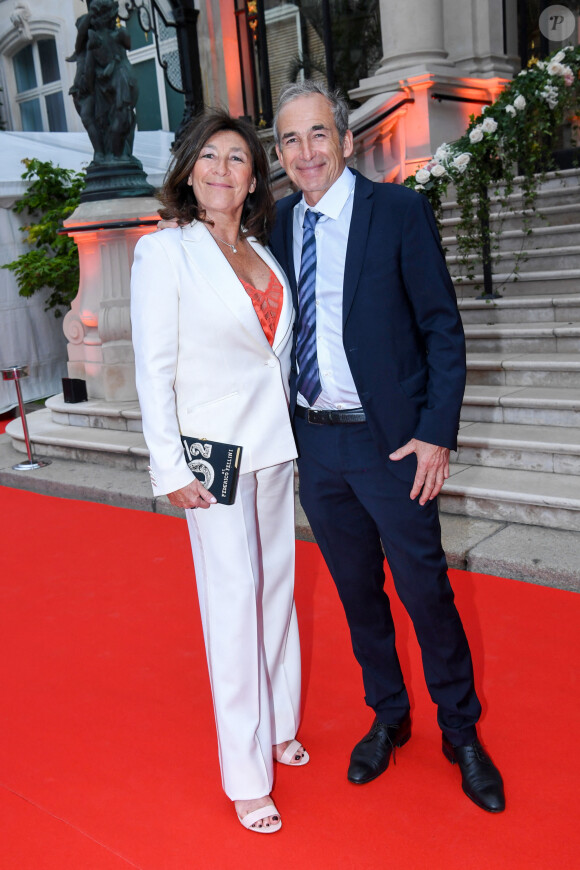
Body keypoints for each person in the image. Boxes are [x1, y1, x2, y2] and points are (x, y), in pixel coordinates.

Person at [269, 80, 505, 813]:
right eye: (289, 140)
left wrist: (435, 431)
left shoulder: (397, 212)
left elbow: (442, 328)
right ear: (279, 154)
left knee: (425, 593)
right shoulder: (278, 225)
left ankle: (460, 731)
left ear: (344, 138)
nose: (305, 152)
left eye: (316, 135)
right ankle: (389, 715)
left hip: (391, 446)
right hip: (316, 445)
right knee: (356, 596)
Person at [130, 110, 308, 834]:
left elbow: (278, 357)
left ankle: (280, 725)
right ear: (187, 170)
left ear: (253, 177)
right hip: (214, 460)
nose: (222, 169)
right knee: (232, 604)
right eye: (209, 156)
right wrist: (168, 465)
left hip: (275, 447)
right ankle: (246, 775)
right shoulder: (163, 252)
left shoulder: (264, 251)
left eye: (237, 158)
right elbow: (153, 370)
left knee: (277, 592)